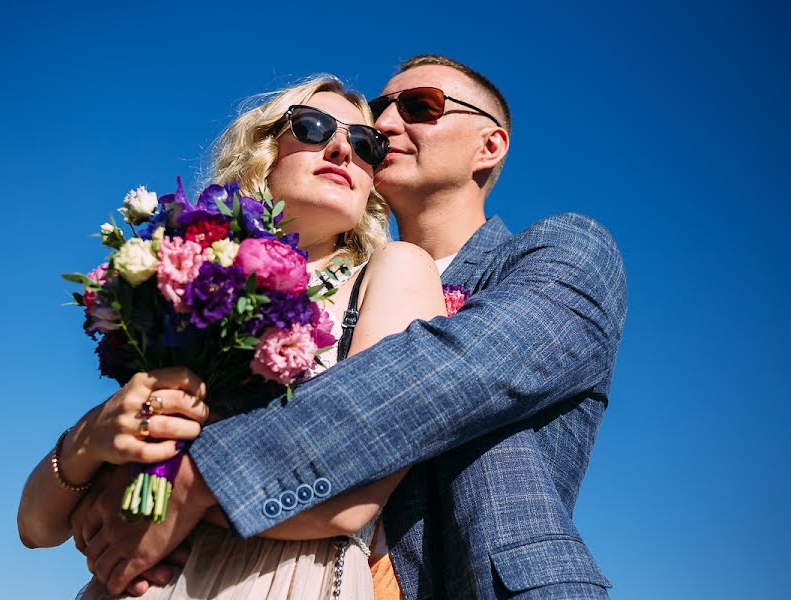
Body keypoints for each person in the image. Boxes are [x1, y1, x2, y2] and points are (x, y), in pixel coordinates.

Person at [73, 55, 628, 600]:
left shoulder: (567, 252)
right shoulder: (314, 282)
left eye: (420, 107)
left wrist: (199, 480)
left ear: (490, 145)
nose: (385, 126)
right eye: (380, 113)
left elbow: (448, 372)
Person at [17, 75, 448, 598]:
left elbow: (353, 495)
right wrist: (95, 434)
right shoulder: (197, 280)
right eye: (313, 128)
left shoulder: (394, 272)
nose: (342, 149)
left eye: (365, 145)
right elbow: (37, 528)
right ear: (265, 153)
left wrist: (177, 505)